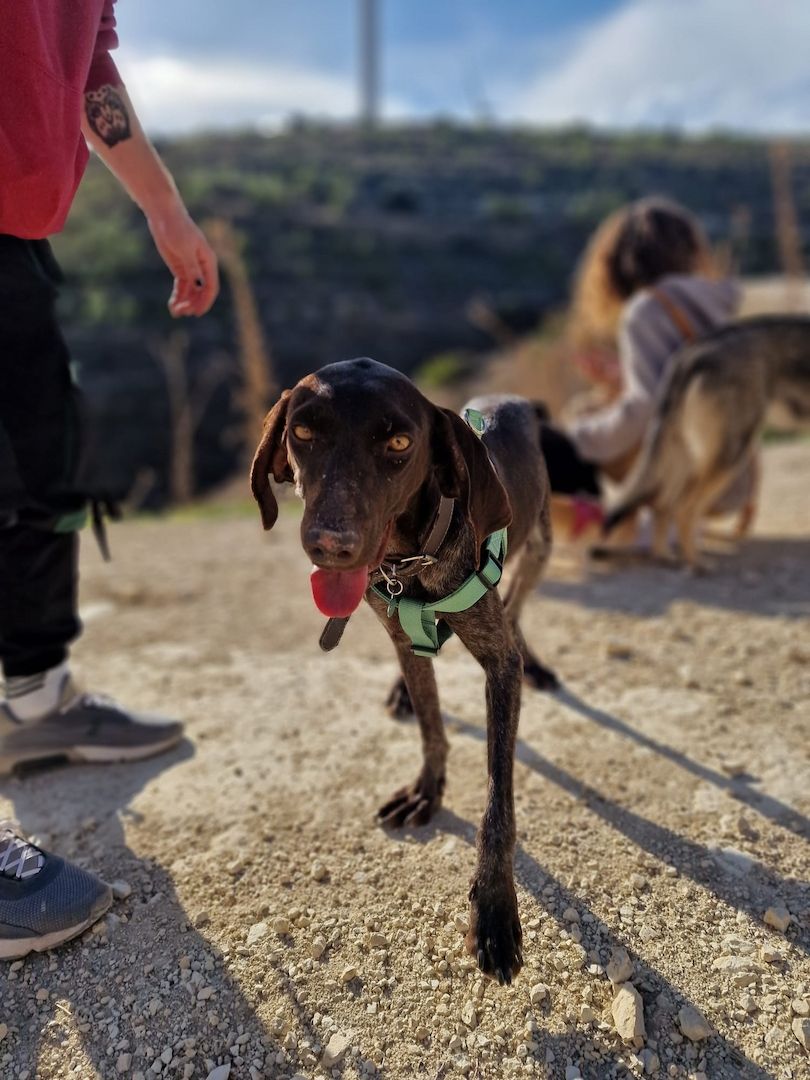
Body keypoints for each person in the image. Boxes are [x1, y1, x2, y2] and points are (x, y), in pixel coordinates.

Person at [0, 1, 219, 958]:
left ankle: (33, 705)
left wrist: (163, 206)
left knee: (43, 476)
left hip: (14, 238)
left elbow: (87, 70)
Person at [542, 196, 753, 541]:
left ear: (616, 264)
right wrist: (624, 377)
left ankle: (614, 526)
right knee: (604, 405)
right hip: (733, 475)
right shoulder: (718, 299)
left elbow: (645, 409)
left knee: (584, 414)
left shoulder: (645, 311)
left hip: (693, 473)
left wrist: (573, 436)